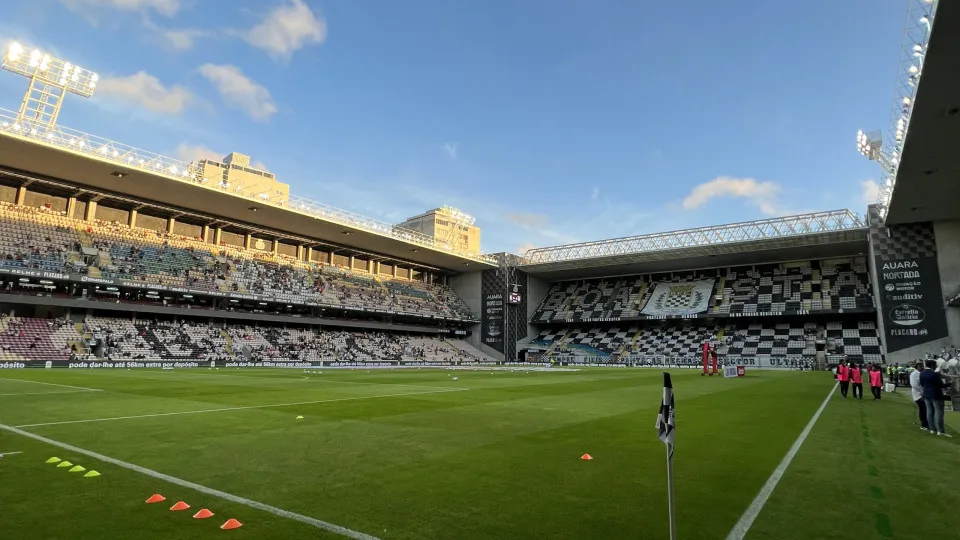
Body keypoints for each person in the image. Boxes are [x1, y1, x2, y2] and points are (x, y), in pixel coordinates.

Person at [920, 359, 951, 437]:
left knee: (929, 411)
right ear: (932, 365)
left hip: (926, 394)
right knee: (939, 413)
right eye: (935, 365)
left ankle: (932, 429)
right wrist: (949, 384)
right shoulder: (934, 374)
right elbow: (940, 385)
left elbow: (922, 384)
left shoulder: (922, 373)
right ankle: (940, 431)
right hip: (936, 394)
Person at [909, 361, 930, 431]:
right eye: (920, 366)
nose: (922, 367)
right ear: (916, 367)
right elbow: (914, 385)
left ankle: (927, 424)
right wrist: (922, 392)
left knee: (925, 409)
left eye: (922, 366)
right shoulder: (913, 374)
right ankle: (924, 425)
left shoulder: (921, 373)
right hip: (918, 395)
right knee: (923, 409)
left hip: (923, 394)